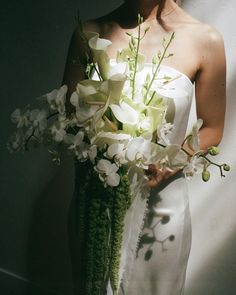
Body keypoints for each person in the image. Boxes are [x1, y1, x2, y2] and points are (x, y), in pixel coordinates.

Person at [62, 0, 226, 294]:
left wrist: (171, 162)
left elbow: (212, 128)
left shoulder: (206, 40)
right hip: (98, 204)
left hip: (160, 214)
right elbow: (70, 118)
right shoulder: (87, 34)